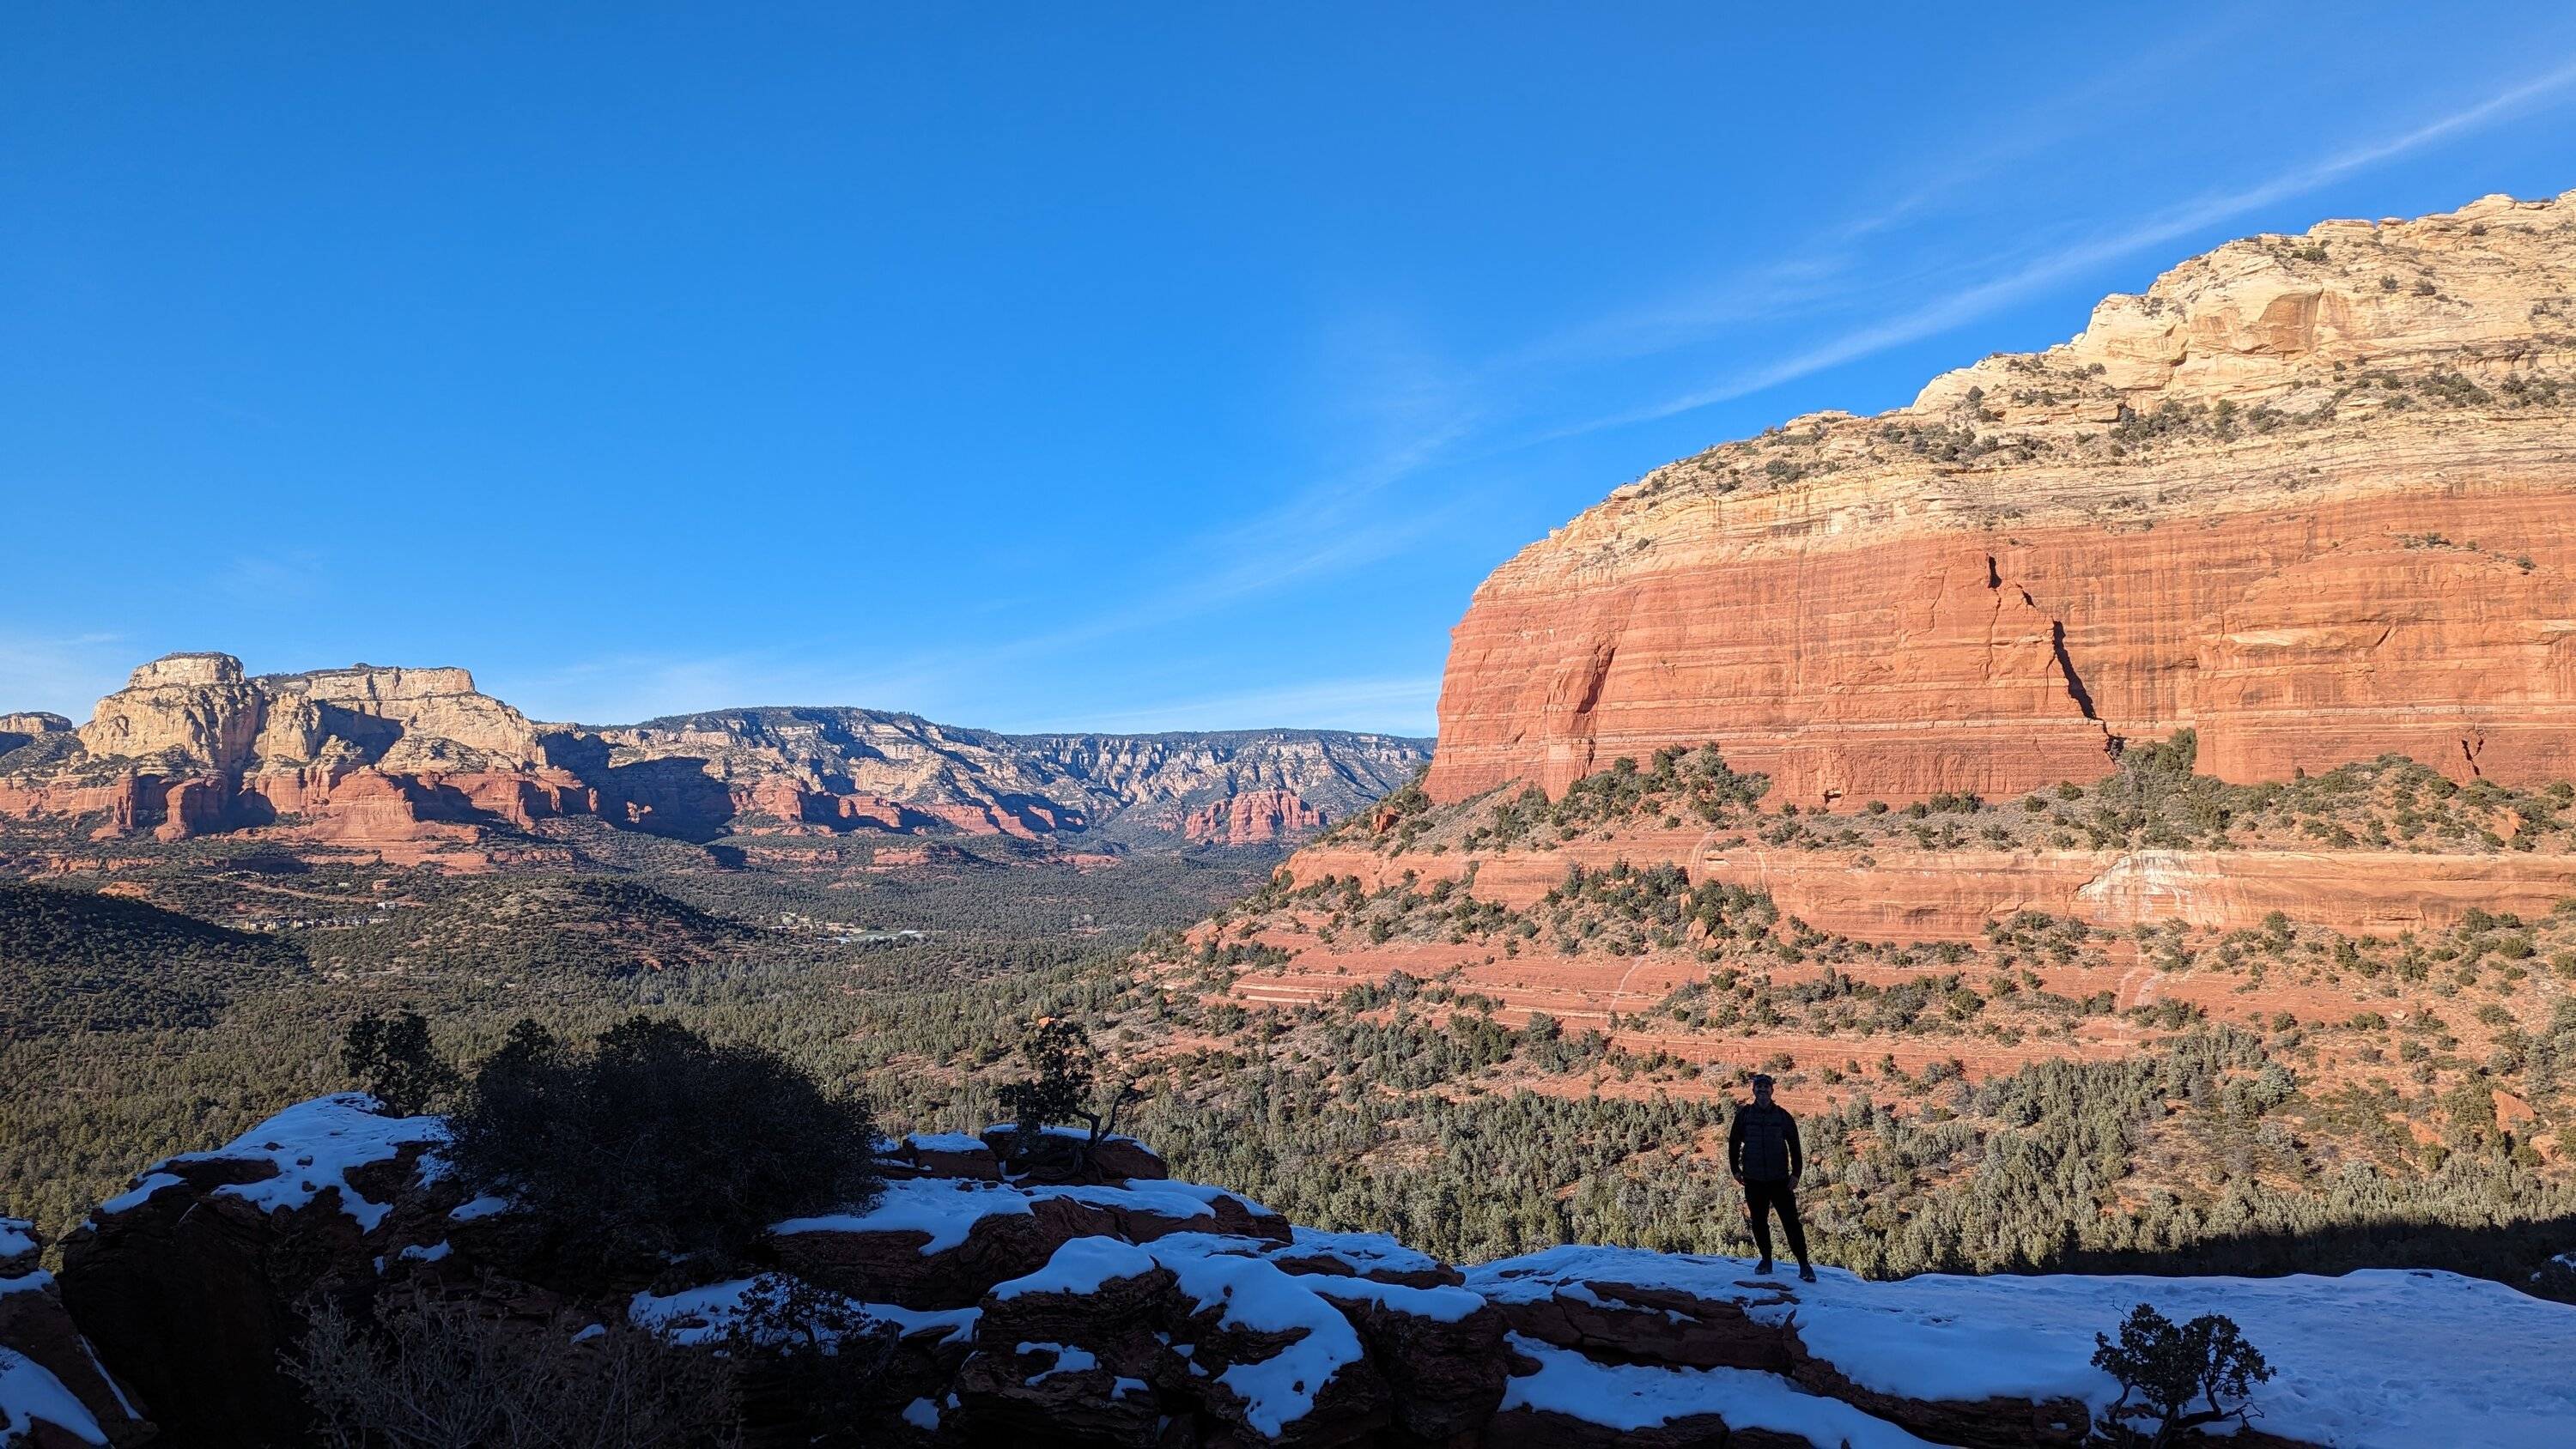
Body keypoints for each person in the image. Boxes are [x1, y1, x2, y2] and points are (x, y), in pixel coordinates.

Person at [1728, 1072, 1814, 1282]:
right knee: (1759, 1222)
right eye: (1759, 1087)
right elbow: (1733, 1143)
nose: (1763, 1090)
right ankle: (1766, 1260)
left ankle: (1804, 1264)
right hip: (1754, 1179)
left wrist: (1796, 1174)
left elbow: (1795, 1146)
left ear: (1772, 1090)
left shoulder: (1783, 1116)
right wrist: (1735, 1170)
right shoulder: (1744, 1116)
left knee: (1791, 1223)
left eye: (1766, 1087)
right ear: (1753, 1091)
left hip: (1779, 1180)